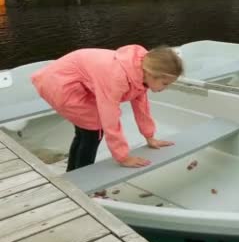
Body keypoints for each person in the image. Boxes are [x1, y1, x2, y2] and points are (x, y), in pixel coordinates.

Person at [31, 44, 183, 171]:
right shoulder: (118, 78)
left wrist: (150, 137)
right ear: (151, 74)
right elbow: (110, 118)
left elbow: (141, 106)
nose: (166, 88)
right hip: (61, 84)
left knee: (85, 131)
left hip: (76, 82)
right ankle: (82, 180)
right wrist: (123, 157)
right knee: (94, 131)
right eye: (165, 83)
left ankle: (73, 173)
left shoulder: (141, 71)